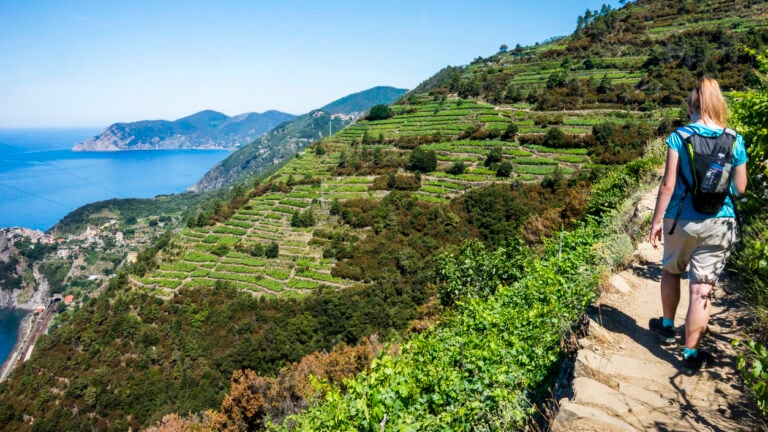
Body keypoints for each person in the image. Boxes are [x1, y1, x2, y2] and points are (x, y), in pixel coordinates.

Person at [648, 77, 748, 373]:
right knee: (701, 290)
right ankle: (690, 355)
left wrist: (656, 221)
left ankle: (667, 326)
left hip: (681, 219)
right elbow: (740, 188)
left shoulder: (679, 137)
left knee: (670, 270)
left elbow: (667, 186)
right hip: (720, 222)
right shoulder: (735, 139)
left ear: (692, 106)